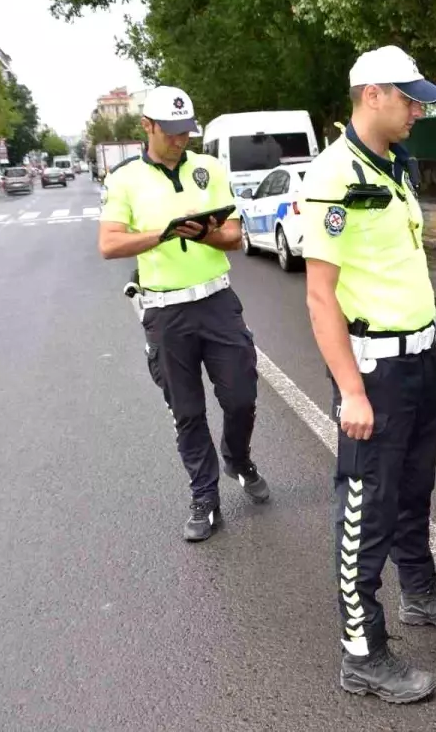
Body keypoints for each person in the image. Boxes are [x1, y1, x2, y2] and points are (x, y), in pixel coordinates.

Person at [301, 45, 436, 704]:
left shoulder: (395, 169)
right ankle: (363, 653)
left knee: (413, 489)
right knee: (364, 509)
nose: (418, 110)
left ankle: (421, 591)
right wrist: (350, 388)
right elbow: (321, 295)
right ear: (371, 94)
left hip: (416, 361)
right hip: (372, 372)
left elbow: (411, 268)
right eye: (409, 98)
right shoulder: (333, 174)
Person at [97, 85, 269, 542]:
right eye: (170, 131)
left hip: (217, 302)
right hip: (165, 313)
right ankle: (205, 498)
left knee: (241, 398)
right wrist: (164, 234)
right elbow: (110, 244)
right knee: (188, 412)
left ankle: (237, 457)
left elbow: (233, 235)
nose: (180, 139)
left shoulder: (209, 168)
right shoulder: (124, 179)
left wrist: (202, 234)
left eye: (186, 131)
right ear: (147, 127)